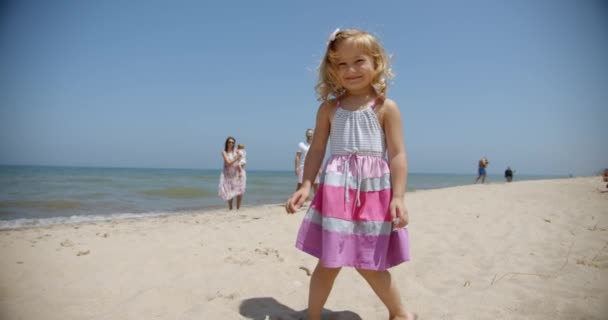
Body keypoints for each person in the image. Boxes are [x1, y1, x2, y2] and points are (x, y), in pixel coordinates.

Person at [285, 29, 416, 320]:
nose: (350, 70)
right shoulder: (329, 109)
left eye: (358, 61)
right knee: (328, 261)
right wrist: (306, 184)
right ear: (332, 69)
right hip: (335, 192)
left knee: (370, 261)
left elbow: (397, 155)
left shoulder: (386, 108)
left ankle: (399, 312)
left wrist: (399, 197)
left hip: (373, 194)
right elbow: (317, 150)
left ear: (376, 63)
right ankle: (313, 316)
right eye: (341, 64)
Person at [218, 136, 246, 210]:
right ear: (227, 143)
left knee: (239, 191)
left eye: (233, 142)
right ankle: (230, 208)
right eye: (229, 142)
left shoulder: (236, 151)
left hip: (237, 172)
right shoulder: (224, 152)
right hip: (228, 174)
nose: (231, 143)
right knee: (229, 191)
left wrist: (241, 165)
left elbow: (243, 158)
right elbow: (228, 163)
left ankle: (238, 209)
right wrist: (236, 158)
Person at [295, 128, 320, 195]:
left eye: (311, 134)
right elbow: (297, 156)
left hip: (314, 168)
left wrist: (320, 168)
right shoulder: (301, 145)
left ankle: (316, 202)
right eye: (308, 134)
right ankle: (295, 200)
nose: (309, 136)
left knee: (316, 185)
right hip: (303, 167)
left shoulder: (316, 145)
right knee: (300, 185)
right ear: (306, 135)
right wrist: (296, 168)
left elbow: (318, 157)